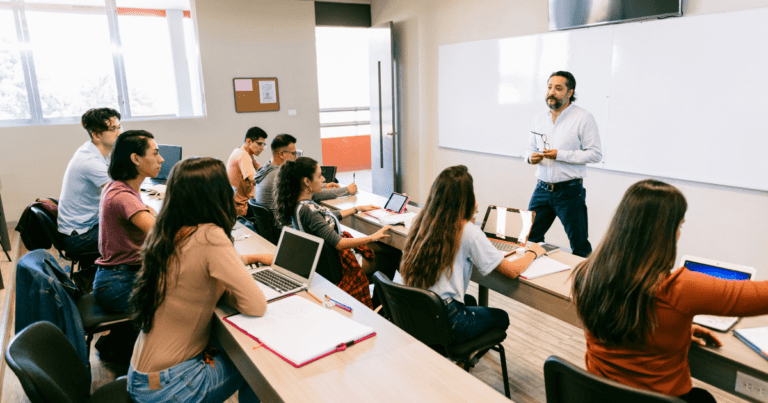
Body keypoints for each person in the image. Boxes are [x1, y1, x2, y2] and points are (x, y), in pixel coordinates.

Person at [571, 179, 768, 403]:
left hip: (600, 395)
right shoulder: (680, 288)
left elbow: (625, 319)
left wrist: (676, 329)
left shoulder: (586, 274)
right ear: (663, 232)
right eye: (679, 225)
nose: (679, 234)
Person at [128, 157, 271, 403]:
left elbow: (197, 271)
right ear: (217, 194)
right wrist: (227, 289)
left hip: (142, 376)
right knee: (258, 363)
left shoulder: (168, 229)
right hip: (169, 386)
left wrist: (240, 266)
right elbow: (256, 306)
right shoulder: (210, 235)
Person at [399, 165, 546, 344]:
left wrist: (470, 214)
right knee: (501, 317)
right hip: (446, 317)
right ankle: (462, 359)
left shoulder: (422, 220)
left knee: (470, 300)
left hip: (417, 310)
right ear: (467, 198)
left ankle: (461, 353)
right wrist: (532, 252)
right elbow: (513, 271)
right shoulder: (467, 231)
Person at [274, 157, 388, 307]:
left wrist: (356, 209)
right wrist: (372, 237)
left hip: (326, 263)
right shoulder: (309, 211)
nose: (324, 179)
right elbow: (339, 243)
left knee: (382, 248)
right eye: (319, 175)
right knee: (390, 257)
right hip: (339, 265)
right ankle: (379, 306)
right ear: (307, 182)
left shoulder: (300, 205)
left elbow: (326, 219)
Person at [524, 71, 602, 257]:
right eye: (550, 87)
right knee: (528, 239)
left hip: (569, 192)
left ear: (569, 92)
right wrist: (530, 158)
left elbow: (595, 154)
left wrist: (561, 155)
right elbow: (528, 149)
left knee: (579, 245)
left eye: (558, 88)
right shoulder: (540, 118)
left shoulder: (583, 118)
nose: (552, 92)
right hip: (541, 189)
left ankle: (583, 285)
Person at [92, 130, 163, 313]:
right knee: (188, 299)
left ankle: (120, 339)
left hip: (116, 277)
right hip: (120, 285)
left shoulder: (118, 186)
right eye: (155, 153)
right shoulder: (124, 196)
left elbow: (149, 213)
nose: (161, 159)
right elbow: (163, 234)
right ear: (136, 159)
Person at [58, 108, 122, 257]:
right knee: (137, 234)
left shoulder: (99, 152)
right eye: (113, 129)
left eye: (119, 127)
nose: (119, 133)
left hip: (90, 224)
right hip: (79, 237)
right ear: (97, 135)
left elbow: (120, 180)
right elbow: (120, 195)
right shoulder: (90, 161)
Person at [253, 134, 356, 215]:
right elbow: (313, 194)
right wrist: (346, 190)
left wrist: (324, 185)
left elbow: (301, 187)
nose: (296, 157)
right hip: (285, 227)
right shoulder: (278, 175)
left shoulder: (266, 168)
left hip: (275, 226)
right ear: (281, 154)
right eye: (293, 154)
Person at [226, 126, 268, 230]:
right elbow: (255, 180)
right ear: (249, 141)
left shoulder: (243, 152)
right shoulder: (243, 156)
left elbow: (260, 170)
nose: (262, 148)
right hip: (241, 208)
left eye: (264, 144)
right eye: (259, 144)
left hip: (235, 204)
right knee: (273, 213)